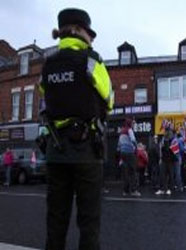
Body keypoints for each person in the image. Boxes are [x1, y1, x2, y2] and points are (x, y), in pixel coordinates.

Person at [39, 8, 113, 250]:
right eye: (89, 33)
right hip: (85, 152)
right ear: (79, 31)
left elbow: (45, 94)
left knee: (56, 222)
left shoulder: (47, 65)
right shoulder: (92, 61)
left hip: (55, 151)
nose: (92, 39)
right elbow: (109, 99)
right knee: (89, 223)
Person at [117, 118, 141, 197]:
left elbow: (119, 144)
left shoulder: (122, 131)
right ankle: (134, 190)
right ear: (130, 124)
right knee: (133, 171)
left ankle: (125, 191)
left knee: (126, 172)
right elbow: (133, 140)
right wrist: (136, 147)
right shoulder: (129, 130)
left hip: (123, 153)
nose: (133, 125)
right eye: (132, 124)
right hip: (130, 153)